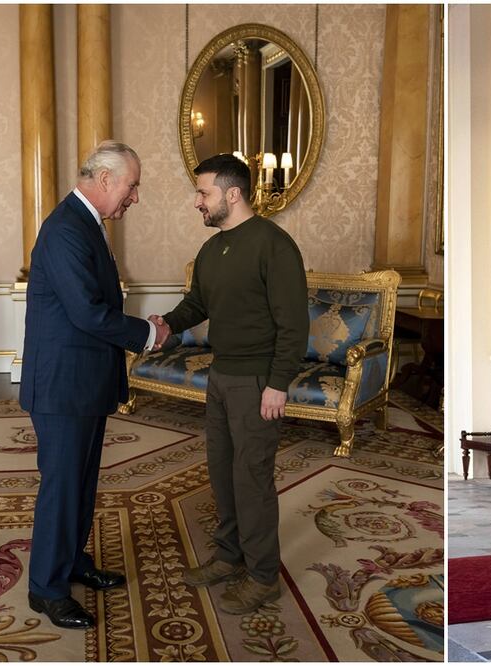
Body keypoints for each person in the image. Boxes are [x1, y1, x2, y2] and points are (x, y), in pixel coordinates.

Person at [21, 141, 170, 629]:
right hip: (64, 387)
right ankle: (46, 589)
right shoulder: (66, 228)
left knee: (82, 485)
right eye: (132, 185)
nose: (135, 196)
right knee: (63, 487)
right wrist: (147, 334)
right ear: (105, 180)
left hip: (83, 382)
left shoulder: (87, 223)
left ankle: (72, 561)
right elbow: (87, 312)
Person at [152, 154, 309, 614]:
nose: (196, 202)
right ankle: (229, 555)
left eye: (204, 193)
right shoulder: (212, 249)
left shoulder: (274, 245)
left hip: (258, 380)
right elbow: (196, 303)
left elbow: (293, 324)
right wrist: (164, 325)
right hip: (221, 376)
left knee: (251, 477)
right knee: (222, 471)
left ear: (233, 193)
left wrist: (278, 383)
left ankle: (263, 576)